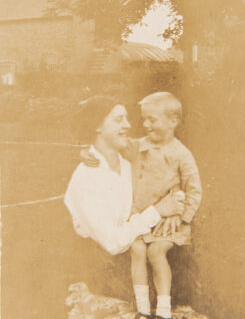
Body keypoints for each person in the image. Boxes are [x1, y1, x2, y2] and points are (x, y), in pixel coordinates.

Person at [81, 92, 202, 319]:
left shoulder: (181, 154)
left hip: (167, 222)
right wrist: (89, 151)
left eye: (152, 120)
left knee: (156, 252)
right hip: (140, 216)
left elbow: (194, 189)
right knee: (136, 249)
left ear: (173, 121)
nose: (145, 125)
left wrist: (182, 216)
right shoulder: (138, 146)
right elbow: (111, 146)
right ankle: (143, 308)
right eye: (144, 119)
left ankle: (164, 309)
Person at [64, 96, 185, 259]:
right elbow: (113, 243)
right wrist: (158, 212)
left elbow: (169, 177)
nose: (128, 125)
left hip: (139, 256)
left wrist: (174, 211)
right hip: (97, 266)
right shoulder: (85, 180)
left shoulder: (129, 163)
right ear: (97, 125)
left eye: (126, 119)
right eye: (119, 119)